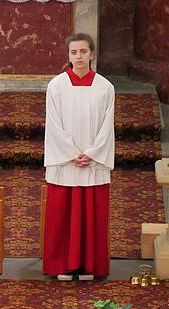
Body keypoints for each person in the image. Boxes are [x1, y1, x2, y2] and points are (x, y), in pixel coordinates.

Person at [43, 33, 114, 281]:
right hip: (66, 161)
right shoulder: (57, 86)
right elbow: (53, 124)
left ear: (92, 54)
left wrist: (92, 154)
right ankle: (63, 263)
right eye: (74, 53)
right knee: (62, 213)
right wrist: (72, 153)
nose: (79, 57)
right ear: (68, 56)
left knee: (91, 214)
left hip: (92, 162)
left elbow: (107, 127)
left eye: (83, 52)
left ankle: (89, 264)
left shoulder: (105, 87)